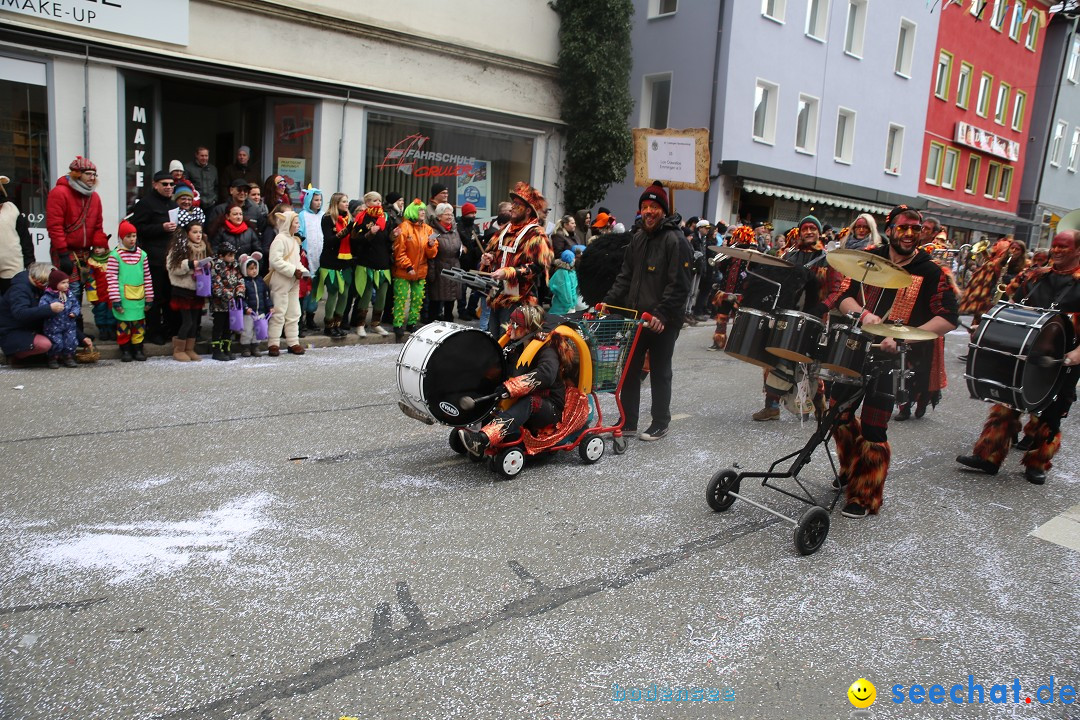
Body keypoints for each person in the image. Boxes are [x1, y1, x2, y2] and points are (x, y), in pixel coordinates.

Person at [832, 205, 959, 518]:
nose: (909, 234)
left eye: (915, 229)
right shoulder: (870, 257)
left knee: (874, 428)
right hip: (857, 347)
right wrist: (863, 314)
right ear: (889, 229)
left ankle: (864, 494)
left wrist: (904, 337)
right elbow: (842, 296)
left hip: (895, 358)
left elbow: (948, 318)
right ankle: (851, 466)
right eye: (903, 228)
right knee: (837, 412)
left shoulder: (930, 271)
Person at [956, 230, 1080, 485]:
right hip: (1024, 350)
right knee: (1006, 400)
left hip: (1064, 357)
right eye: (1054, 245)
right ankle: (988, 457)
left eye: (1063, 247)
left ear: (1078, 250)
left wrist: (1078, 353)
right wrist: (987, 328)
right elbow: (1008, 305)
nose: (1056, 250)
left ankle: (1037, 463)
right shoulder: (1035, 277)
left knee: (1051, 411)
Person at [602, 181, 692, 441]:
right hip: (637, 319)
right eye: (645, 206)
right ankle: (628, 421)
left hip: (664, 320)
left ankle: (660, 422)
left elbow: (680, 285)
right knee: (629, 369)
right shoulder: (638, 238)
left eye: (654, 206)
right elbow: (625, 276)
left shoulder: (676, 240)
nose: (649, 211)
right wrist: (608, 302)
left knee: (660, 371)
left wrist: (662, 314)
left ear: (663, 210)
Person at [457, 304, 580, 455]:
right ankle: (468, 428)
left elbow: (546, 374)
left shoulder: (547, 348)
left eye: (515, 324)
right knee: (490, 387)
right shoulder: (517, 345)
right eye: (510, 321)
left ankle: (483, 439)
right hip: (524, 397)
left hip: (551, 407)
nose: (509, 326)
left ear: (528, 328)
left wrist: (512, 387)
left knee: (529, 402)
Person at [478, 183, 553, 335]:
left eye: (517, 204)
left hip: (520, 299)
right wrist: (488, 259)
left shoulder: (536, 234)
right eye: (512, 203)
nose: (512, 207)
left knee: (511, 344)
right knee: (494, 341)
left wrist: (510, 272)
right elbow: (495, 253)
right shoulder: (504, 230)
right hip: (497, 296)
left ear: (527, 210)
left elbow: (539, 266)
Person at [46, 156, 109, 334]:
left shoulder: (94, 197)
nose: (92, 177)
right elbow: (55, 226)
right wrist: (63, 252)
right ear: (76, 174)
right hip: (65, 250)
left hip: (86, 252)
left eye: (94, 174)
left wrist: (100, 249)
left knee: (82, 289)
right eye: (87, 173)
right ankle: (71, 329)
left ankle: (77, 330)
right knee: (69, 289)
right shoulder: (59, 192)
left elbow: (98, 226)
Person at [1, 263, 93, 367]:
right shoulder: (19, 290)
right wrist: (49, 309)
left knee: (62, 338)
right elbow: (20, 313)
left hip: (32, 327)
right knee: (45, 344)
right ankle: (17, 355)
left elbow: (63, 318)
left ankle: (54, 355)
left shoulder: (46, 289)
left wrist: (81, 337)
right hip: (13, 330)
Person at [129, 170, 178, 345]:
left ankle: (169, 329)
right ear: (155, 184)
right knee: (155, 297)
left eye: (172, 184)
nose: (169, 187)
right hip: (153, 258)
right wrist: (161, 227)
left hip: (170, 258)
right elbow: (136, 228)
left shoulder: (173, 205)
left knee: (169, 296)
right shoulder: (145, 204)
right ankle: (154, 331)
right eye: (165, 184)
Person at [107, 220, 155, 362]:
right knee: (123, 325)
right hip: (123, 298)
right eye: (128, 236)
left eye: (134, 236)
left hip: (139, 297)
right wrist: (115, 300)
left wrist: (149, 297)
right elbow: (111, 278)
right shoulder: (115, 256)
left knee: (139, 325)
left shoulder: (142, 255)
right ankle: (125, 349)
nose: (132, 239)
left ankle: (138, 348)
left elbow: (147, 276)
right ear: (121, 238)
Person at [392, 200, 438, 342]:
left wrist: (431, 246)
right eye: (420, 210)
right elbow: (399, 251)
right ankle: (398, 324)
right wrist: (408, 266)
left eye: (424, 210)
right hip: (404, 271)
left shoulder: (428, 230)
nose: (423, 212)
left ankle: (412, 323)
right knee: (401, 298)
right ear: (413, 212)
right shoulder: (404, 228)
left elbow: (432, 254)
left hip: (420, 272)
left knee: (417, 298)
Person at [166, 222, 210, 362]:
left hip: (198, 289)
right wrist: (191, 264)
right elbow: (172, 267)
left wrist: (209, 265)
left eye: (200, 232)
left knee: (195, 322)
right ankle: (179, 349)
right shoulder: (179, 247)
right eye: (194, 232)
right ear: (187, 233)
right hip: (182, 289)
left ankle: (190, 348)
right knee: (187, 322)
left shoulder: (204, 247)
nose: (198, 235)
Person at [265, 209, 306, 357]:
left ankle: (293, 342)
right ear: (288, 223)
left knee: (294, 313)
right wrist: (293, 270)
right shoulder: (279, 240)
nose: (298, 225)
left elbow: (297, 261)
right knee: (278, 312)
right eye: (296, 222)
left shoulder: (294, 241)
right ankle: (273, 343)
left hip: (293, 281)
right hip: (281, 281)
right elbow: (275, 261)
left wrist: (303, 271)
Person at [354, 193, 392, 337]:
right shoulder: (362, 218)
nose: (378, 203)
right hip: (367, 261)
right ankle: (360, 324)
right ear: (367, 202)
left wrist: (394, 235)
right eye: (375, 201)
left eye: (380, 201)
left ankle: (376, 323)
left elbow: (388, 240)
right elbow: (356, 240)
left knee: (382, 295)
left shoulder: (386, 218)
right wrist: (370, 233)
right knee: (366, 294)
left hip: (382, 261)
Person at [317, 192, 354, 338]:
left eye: (347, 201)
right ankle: (328, 325)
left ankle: (338, 324)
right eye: (344, 201)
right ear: (336, 203)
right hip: (330, 261)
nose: (347, 204)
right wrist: (346, 231)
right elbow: (330, 240)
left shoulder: (348, 218)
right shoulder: (327, 218)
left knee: (344, 294)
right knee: (333, 293)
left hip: (345, 260)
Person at [39, 267, 81, 368]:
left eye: (67, 282)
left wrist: (74, 312)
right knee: (56, 342)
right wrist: (51, 310)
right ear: (54, 284)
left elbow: (76, 305)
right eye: (63, 282)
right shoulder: (47, 296)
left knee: (70, 341)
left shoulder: (69, 294)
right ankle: (53, 357)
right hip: (53, 325)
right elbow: (42, 309)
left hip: (69, 324)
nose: (66, 285)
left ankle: (68, 356)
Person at [209, 241, 244, 361]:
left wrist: (239, 292)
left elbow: (240, 279)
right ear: (221, 256)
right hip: (220, 303)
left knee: (228, 327)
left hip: (232, 304)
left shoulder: (235, 266)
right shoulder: (217, 267)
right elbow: (216, 284)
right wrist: (227, 295)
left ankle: (226, 347)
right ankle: (216, 349)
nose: (232, 258)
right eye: (229, 255)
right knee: (218, 325)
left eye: (233, 255)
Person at [0, 174, 35, 295]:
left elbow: (24, 237)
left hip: (12, 265)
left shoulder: (11, 209)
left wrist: (29, 261)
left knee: (13, 298)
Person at [428, 202, 463, 322]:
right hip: (439, 268)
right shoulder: (432, 230)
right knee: (436, 298)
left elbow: (458, 245)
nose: (449, 217)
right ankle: (432, 321)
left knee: (451, 297)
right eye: (446, 214)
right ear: (439, 216)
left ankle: (449, 320)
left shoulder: (454, 230)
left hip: (454, 266)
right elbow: (430, 251)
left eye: (451, 214)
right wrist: (431, 272)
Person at [84, 235, 115, 341]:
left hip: (112, 292)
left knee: (112, 311)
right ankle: (102, 329)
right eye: (95, 248)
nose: (97, 250)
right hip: (99, 293)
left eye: (100, 247)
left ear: (106, 248)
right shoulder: (92, 262)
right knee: (100, 311)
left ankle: (111, 328)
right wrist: (92, 294)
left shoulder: (113, 258)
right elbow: (90, 279)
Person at [239, 252, 271, 357]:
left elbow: (266, 295)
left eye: (255, 268)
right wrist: (245, 307)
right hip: (249, 312)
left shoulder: (260, 281)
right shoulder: (243, 282)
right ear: (245, 269)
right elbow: (240, 298)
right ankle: (245, 347)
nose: (254, 271)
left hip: (260, 311)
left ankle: (255, 346)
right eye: (251, 269)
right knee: (247, 330)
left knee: (258, 330)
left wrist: (270, 306)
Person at [549, 249, 579, 315]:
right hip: (565, 308)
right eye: (573, 258)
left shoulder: (566, 271)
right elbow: (566, 292)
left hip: (564, 305)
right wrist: (570, 305)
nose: (574, 260)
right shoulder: (564, 273)